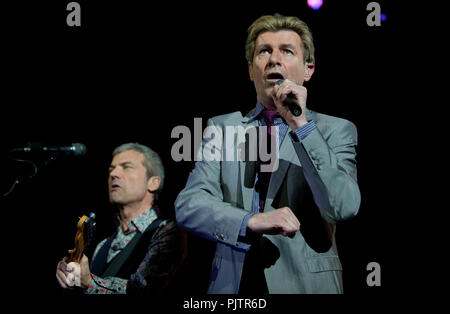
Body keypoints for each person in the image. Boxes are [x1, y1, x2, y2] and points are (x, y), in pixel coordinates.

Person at [174, 13, 361, 294]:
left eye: (287, 51)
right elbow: (189, 205)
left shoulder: (336, 130)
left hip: (304, 284)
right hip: (234, 285)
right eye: (264, 51)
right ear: (251, 70)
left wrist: (301, 124)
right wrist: (248, 220)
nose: (274, 59)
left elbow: (343, 206)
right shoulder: (222, 127)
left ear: (308, 69)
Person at [56, 143, 186, 295]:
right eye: (111, 169)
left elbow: (146, 289)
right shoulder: (102, 246)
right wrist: (70, 276)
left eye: (126, 167)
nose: (113, 174)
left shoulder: (168, 231)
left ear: (153, 182)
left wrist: (89, 282)